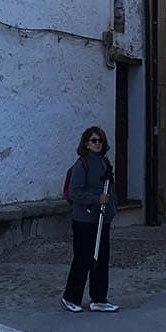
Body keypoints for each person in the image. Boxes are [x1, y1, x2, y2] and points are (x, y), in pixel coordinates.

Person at [63, 125, 119, 313]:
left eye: (100, 140)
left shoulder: (104, 163)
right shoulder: (82, 165)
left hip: (102, 219)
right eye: (93, 140)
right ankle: (71, 297)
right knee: (82, 258)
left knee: (101, 259)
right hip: (84, 220)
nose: (97, 144)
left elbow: (109, 187)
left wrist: (112, 208)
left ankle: (99, 298)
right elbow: (75, 192)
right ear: (86, 143)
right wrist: (96, 200)